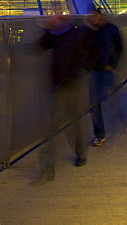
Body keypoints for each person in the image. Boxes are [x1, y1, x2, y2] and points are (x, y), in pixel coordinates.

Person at [35, 13, 97, 184]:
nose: (57, 17)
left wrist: (80, 72)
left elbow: (89, 53)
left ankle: (81, 153)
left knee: (77, 123)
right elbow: (41, 46)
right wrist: (48, 28)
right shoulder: (55, 35)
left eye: (60, 16)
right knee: (51, 128)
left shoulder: (77, 33)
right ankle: (48, 168)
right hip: (58, 87)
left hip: (73, 86)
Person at [87, 8, 127, 146]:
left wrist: (113, 65)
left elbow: (119, 47)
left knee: (114, 99)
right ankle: (100, 135)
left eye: (96, 16)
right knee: (94, 103)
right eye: (92, 17)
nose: (94, 19)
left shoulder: (111, 29)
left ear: (101, 16)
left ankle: (123, 120)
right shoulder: (92, 31)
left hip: (108, 70)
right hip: (95, 71)